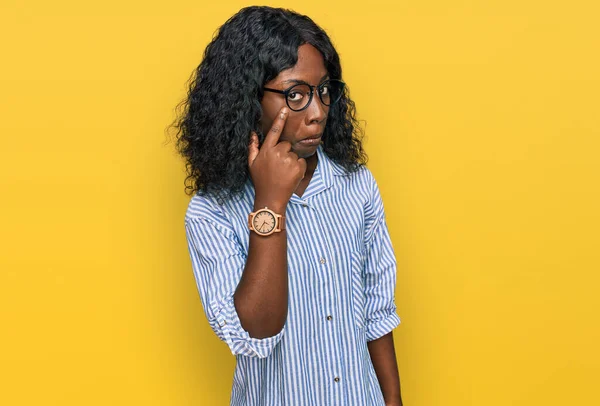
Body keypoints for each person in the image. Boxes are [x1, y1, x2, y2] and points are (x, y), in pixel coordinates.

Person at [174, 6, 404, 405]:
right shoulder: (211, 212)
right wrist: (270, 203)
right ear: (248, 99)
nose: (317, 114)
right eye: (295, 95)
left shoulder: (355, 186)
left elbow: (377, 315)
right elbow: (256, 331)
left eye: (324, 91)